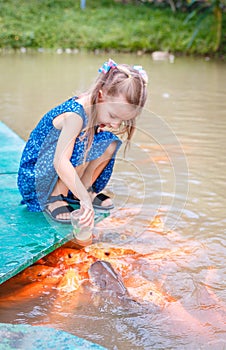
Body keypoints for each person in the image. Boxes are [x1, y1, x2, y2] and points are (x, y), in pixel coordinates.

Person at [17, 58, 148, 227]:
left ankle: (81, 189)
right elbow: (60, 161)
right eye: (113, 116)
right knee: (80, 145)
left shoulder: (94, 103)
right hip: (36, 179)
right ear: (100, 96)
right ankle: (54, 198)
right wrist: (84, 201)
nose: (115, 124)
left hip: (52, 171)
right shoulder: (75, 116)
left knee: (109, 142)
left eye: (122, 121)